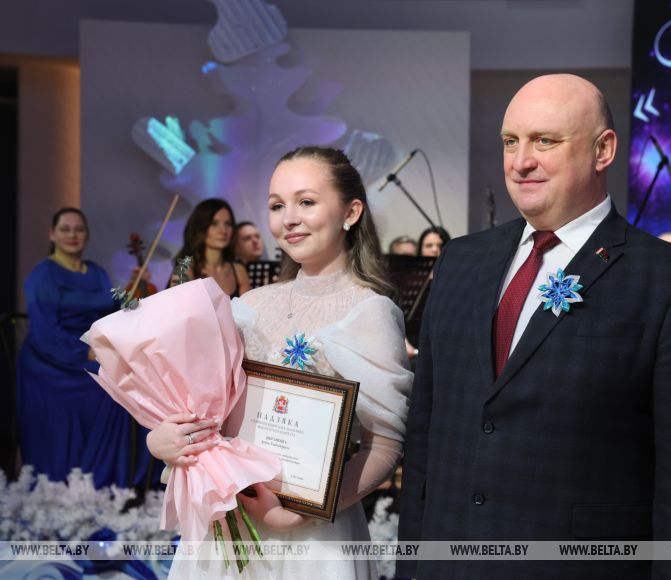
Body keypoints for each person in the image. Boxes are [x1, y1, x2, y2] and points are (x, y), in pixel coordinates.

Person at [398, 74, 671, 579]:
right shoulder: (459, 262)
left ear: (603, 150)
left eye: (544, 141)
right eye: (510, 141)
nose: (520, 161)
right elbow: (426, 437)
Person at [147, 147, 412, 578]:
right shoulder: (249, 306)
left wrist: (302, 512)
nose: (289, 218)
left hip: (312, 541)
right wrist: (166, 440)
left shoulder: (369, 312)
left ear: (351, 212)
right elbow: (208, 412)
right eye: (276, 205)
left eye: (306, 202)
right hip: (227, 524)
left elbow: (384, 444)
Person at [16, 208, 154, 488]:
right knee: (112, 385)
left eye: (78, 229)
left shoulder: (97, 273)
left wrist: (134, 290)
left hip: (89, 352)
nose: (72, 235)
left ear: (87, 235)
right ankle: (95, 480)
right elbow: (45, 333)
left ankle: (127, 479)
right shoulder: (43, 275)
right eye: (65, 229)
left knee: (135, 375)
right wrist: (86, 352)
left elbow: (113, 310)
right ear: (52, 234)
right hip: (50, 361)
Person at [171, 198, 251, 297]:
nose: (223, 231)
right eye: (214, 224)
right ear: (200, 227)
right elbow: (178, 305)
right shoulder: (184, 269)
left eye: (228, 224)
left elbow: (247, 306)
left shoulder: (239, 271)